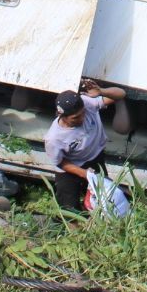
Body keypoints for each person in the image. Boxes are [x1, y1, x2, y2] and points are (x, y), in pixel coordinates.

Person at [44, 79, 126, 211]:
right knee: (69, 209)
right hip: (70, 168)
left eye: (83, 114)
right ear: (62, 116)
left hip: (95, 158)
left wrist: (101, 91)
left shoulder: (87, 103)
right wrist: (84, 173)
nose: (82, 119)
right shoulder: (54, 138)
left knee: (106, 200)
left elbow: (121, 94)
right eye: (75, 118)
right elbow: (59, 162)